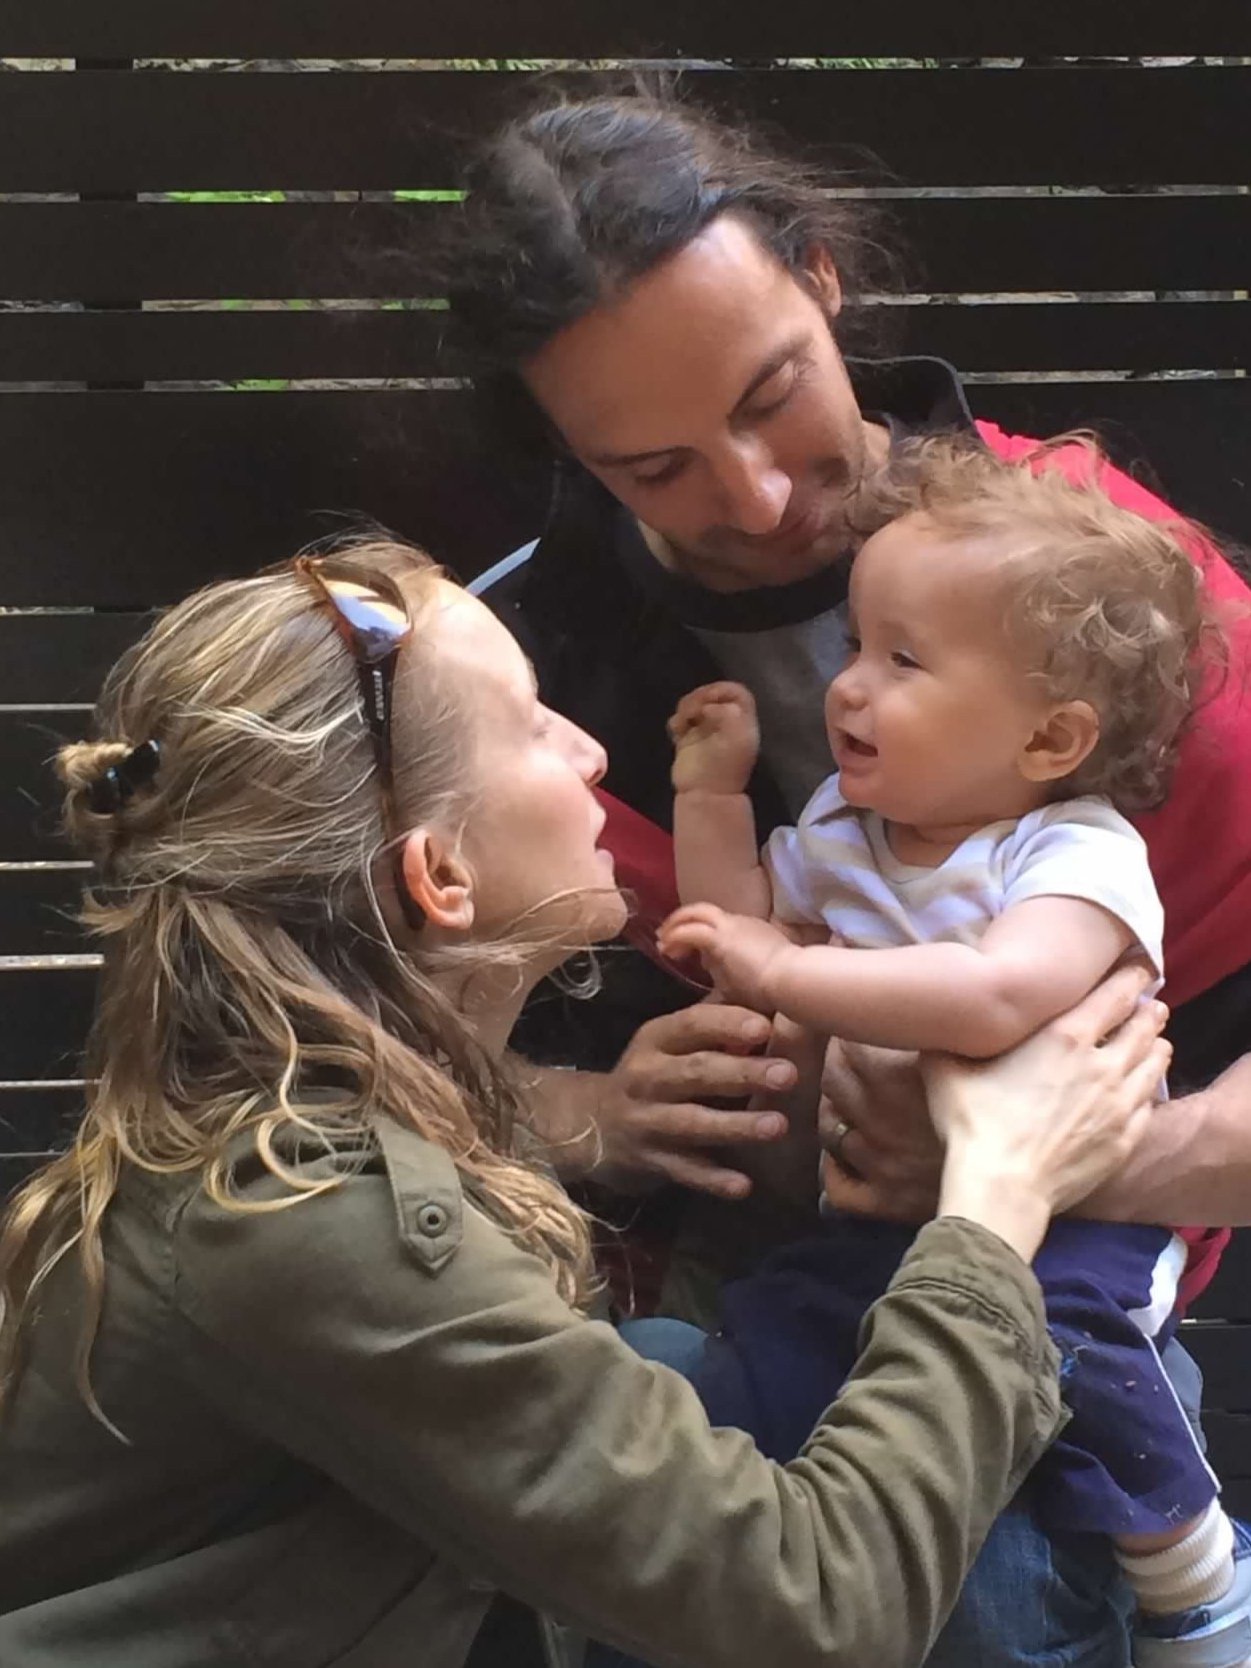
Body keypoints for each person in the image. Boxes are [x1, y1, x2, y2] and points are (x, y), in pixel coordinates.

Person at [0, 540, 1166, 1668]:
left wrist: (600, 1113)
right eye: (533, 726)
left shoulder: (295, 1120)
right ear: (439, 877)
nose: (593, 753)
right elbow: (812, 1608)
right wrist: (995, 1200)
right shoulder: (311, 1221)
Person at [446, 91, 1251, 1665]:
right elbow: (323, 1052)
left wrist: (1050, 1157)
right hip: (725, 1329)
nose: (751, 498)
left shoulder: (1112, 592)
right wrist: (584, 1111)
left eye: (772, 397)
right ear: (561, 453)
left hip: (1075, 1314)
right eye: (654, 465)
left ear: (825, 281)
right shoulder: (511, 688)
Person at [658, 433, 1249, 1665]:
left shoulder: (1071, 858)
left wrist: (790, 969)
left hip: (1078, 1224)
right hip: (883, 1227)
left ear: (1049, 740)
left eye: (903, 660)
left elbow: (990, 998)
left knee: (1075, 1344)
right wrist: (712, 805)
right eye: (856, 647)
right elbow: (744, 938)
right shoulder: (847, 828)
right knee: (783, 1329)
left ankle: (1196, 1576)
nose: (848, 688)